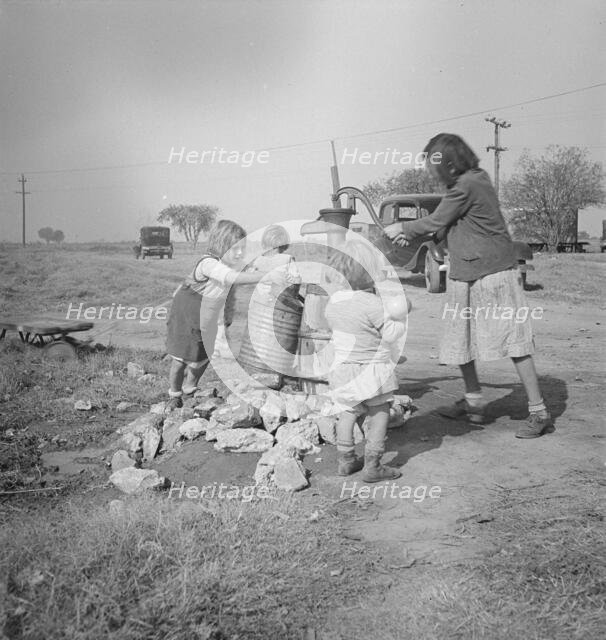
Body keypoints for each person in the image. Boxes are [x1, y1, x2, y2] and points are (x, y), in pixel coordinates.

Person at [384, 133, 553, 438]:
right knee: (459, 338)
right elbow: (445, 227)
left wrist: (405, 228)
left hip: (494, 272)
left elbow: (438, 219)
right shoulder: (461, 186)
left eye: (433, 164)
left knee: (515, 340)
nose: (430, 171)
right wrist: (415, 235)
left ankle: (539, 411)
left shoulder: (469, 184)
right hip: (464, 272)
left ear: (449, 164)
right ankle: (474, 402)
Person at [165, 219, 274, 410]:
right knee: (181, 357)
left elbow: (230, 292)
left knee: (204, 353)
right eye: (235, 248)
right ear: (220, 244)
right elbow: (231, 279)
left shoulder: (231, 265)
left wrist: (229, 315)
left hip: (208, 313)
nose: (240, 253)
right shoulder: (208, 263)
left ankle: (190, 388)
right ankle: (174, 393)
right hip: (187, 312)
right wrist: (267, 275)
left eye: (242, 248)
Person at [324, 242, 405, 482]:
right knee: (379, 412)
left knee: (348, 413)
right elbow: (390, 334)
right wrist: (401, 319)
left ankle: (346, 460)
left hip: (343, 370)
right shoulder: (372, 304)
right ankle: (373, 465)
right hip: (371, 370)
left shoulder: (334, 302)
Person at [250, 224, 301, 302]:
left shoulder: (258, 260)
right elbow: (296, 285)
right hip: (280, 304)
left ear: (264, 241)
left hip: (259, 302)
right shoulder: (287, 259)